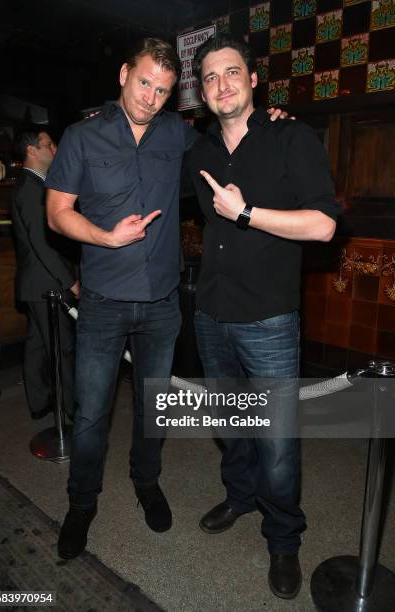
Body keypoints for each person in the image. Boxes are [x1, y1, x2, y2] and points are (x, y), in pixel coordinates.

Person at [46, 37, 288, 560]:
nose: (150, 98)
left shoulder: (179, 135)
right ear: (123, 74)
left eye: (162, 90)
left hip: (161, 303)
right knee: (92, 414)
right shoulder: (82, 136)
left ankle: (146, 482)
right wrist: (105, 237)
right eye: (143, 84)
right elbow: (56, 212)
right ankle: (81, 503)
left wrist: (268, 116)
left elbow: (234, 137)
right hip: (104, 302)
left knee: (154, 406)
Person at [187, 33, 340, 600]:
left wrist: (246, 212)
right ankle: (239, 496)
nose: (221, 84)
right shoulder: (199, 152)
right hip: (211, 313)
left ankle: (283, 540)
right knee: (230, 426)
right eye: (209, 77)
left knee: (277, 441)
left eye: (231, 72)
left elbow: (324, 226)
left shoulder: (289, 137)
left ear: (253, 80)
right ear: (202, 93)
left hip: (269, 320)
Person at [12, 129, 79, 420]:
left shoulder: (35, 186)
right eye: (48, 144)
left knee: (38, 345)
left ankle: (39, 403)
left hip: (36, 285)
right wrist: (70, 281)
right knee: (62, 348)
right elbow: (42, 243)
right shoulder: (31, 189)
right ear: (31, 150)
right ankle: (71, 411)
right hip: (46, 284)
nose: (54, 148)